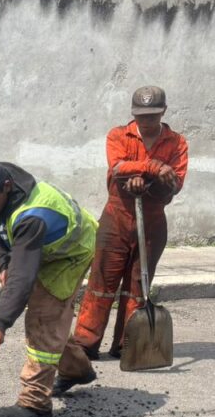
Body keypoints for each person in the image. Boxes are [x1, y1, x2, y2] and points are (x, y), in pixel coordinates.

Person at [64, 86, 188, 377]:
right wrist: (152, 167)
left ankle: (127, 343)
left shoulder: (178, 143)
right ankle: (86, 342)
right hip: (116, 218)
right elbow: (118, 166)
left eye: (152, 115)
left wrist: (153, 181)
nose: (145, 121)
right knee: (101, 283)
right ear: (134, 114)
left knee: (138, 285)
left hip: (153, 221)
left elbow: (177, 182)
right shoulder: (118, 135)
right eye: (140, 115)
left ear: (163, 112)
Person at [0, 159, 98, 417]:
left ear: (7, 187)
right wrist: (4, 263)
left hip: (70, 252)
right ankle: (76, 370)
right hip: (39, 247)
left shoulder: (32, 216)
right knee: (52, 319)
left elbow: (22, 279)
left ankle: (35, 402)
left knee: (43, 316)